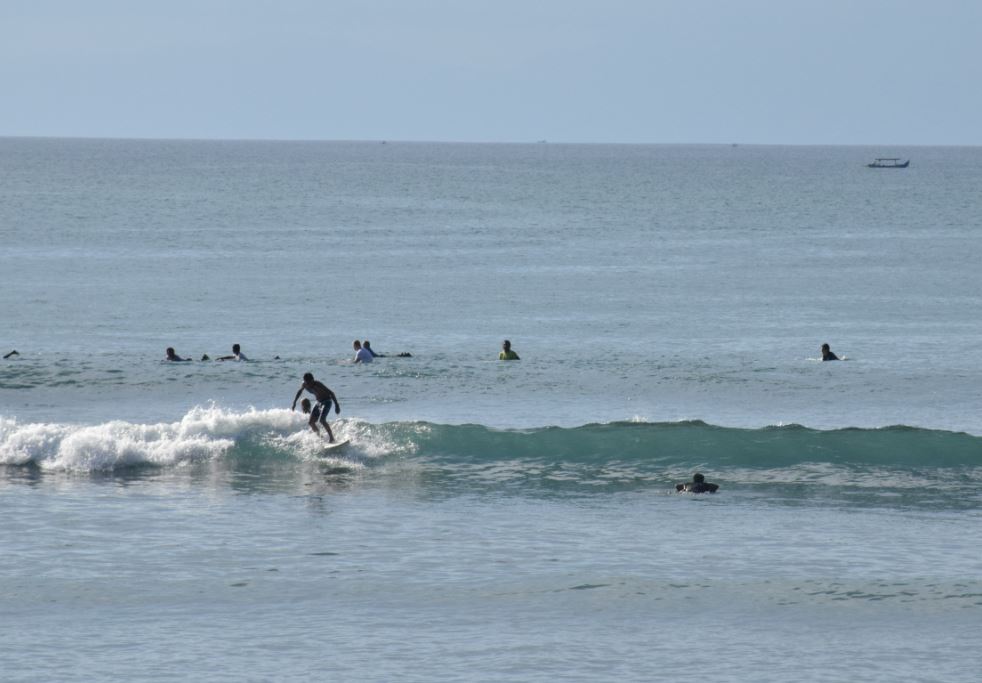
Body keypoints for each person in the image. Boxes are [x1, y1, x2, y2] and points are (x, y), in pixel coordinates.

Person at [292, 372, 341, 441]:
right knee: (311, 422)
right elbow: (299, 392)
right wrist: (294, 402)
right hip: (319, 402)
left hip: (327, 401)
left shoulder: (318, 384)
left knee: (322, 420)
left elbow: (331, 393)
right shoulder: (304, 384)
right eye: (307, 383)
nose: (309, 385)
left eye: (310, 382)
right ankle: (321, 438)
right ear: (305, 381)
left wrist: (337, 405)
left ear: (313, 380)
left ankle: (332, 438)